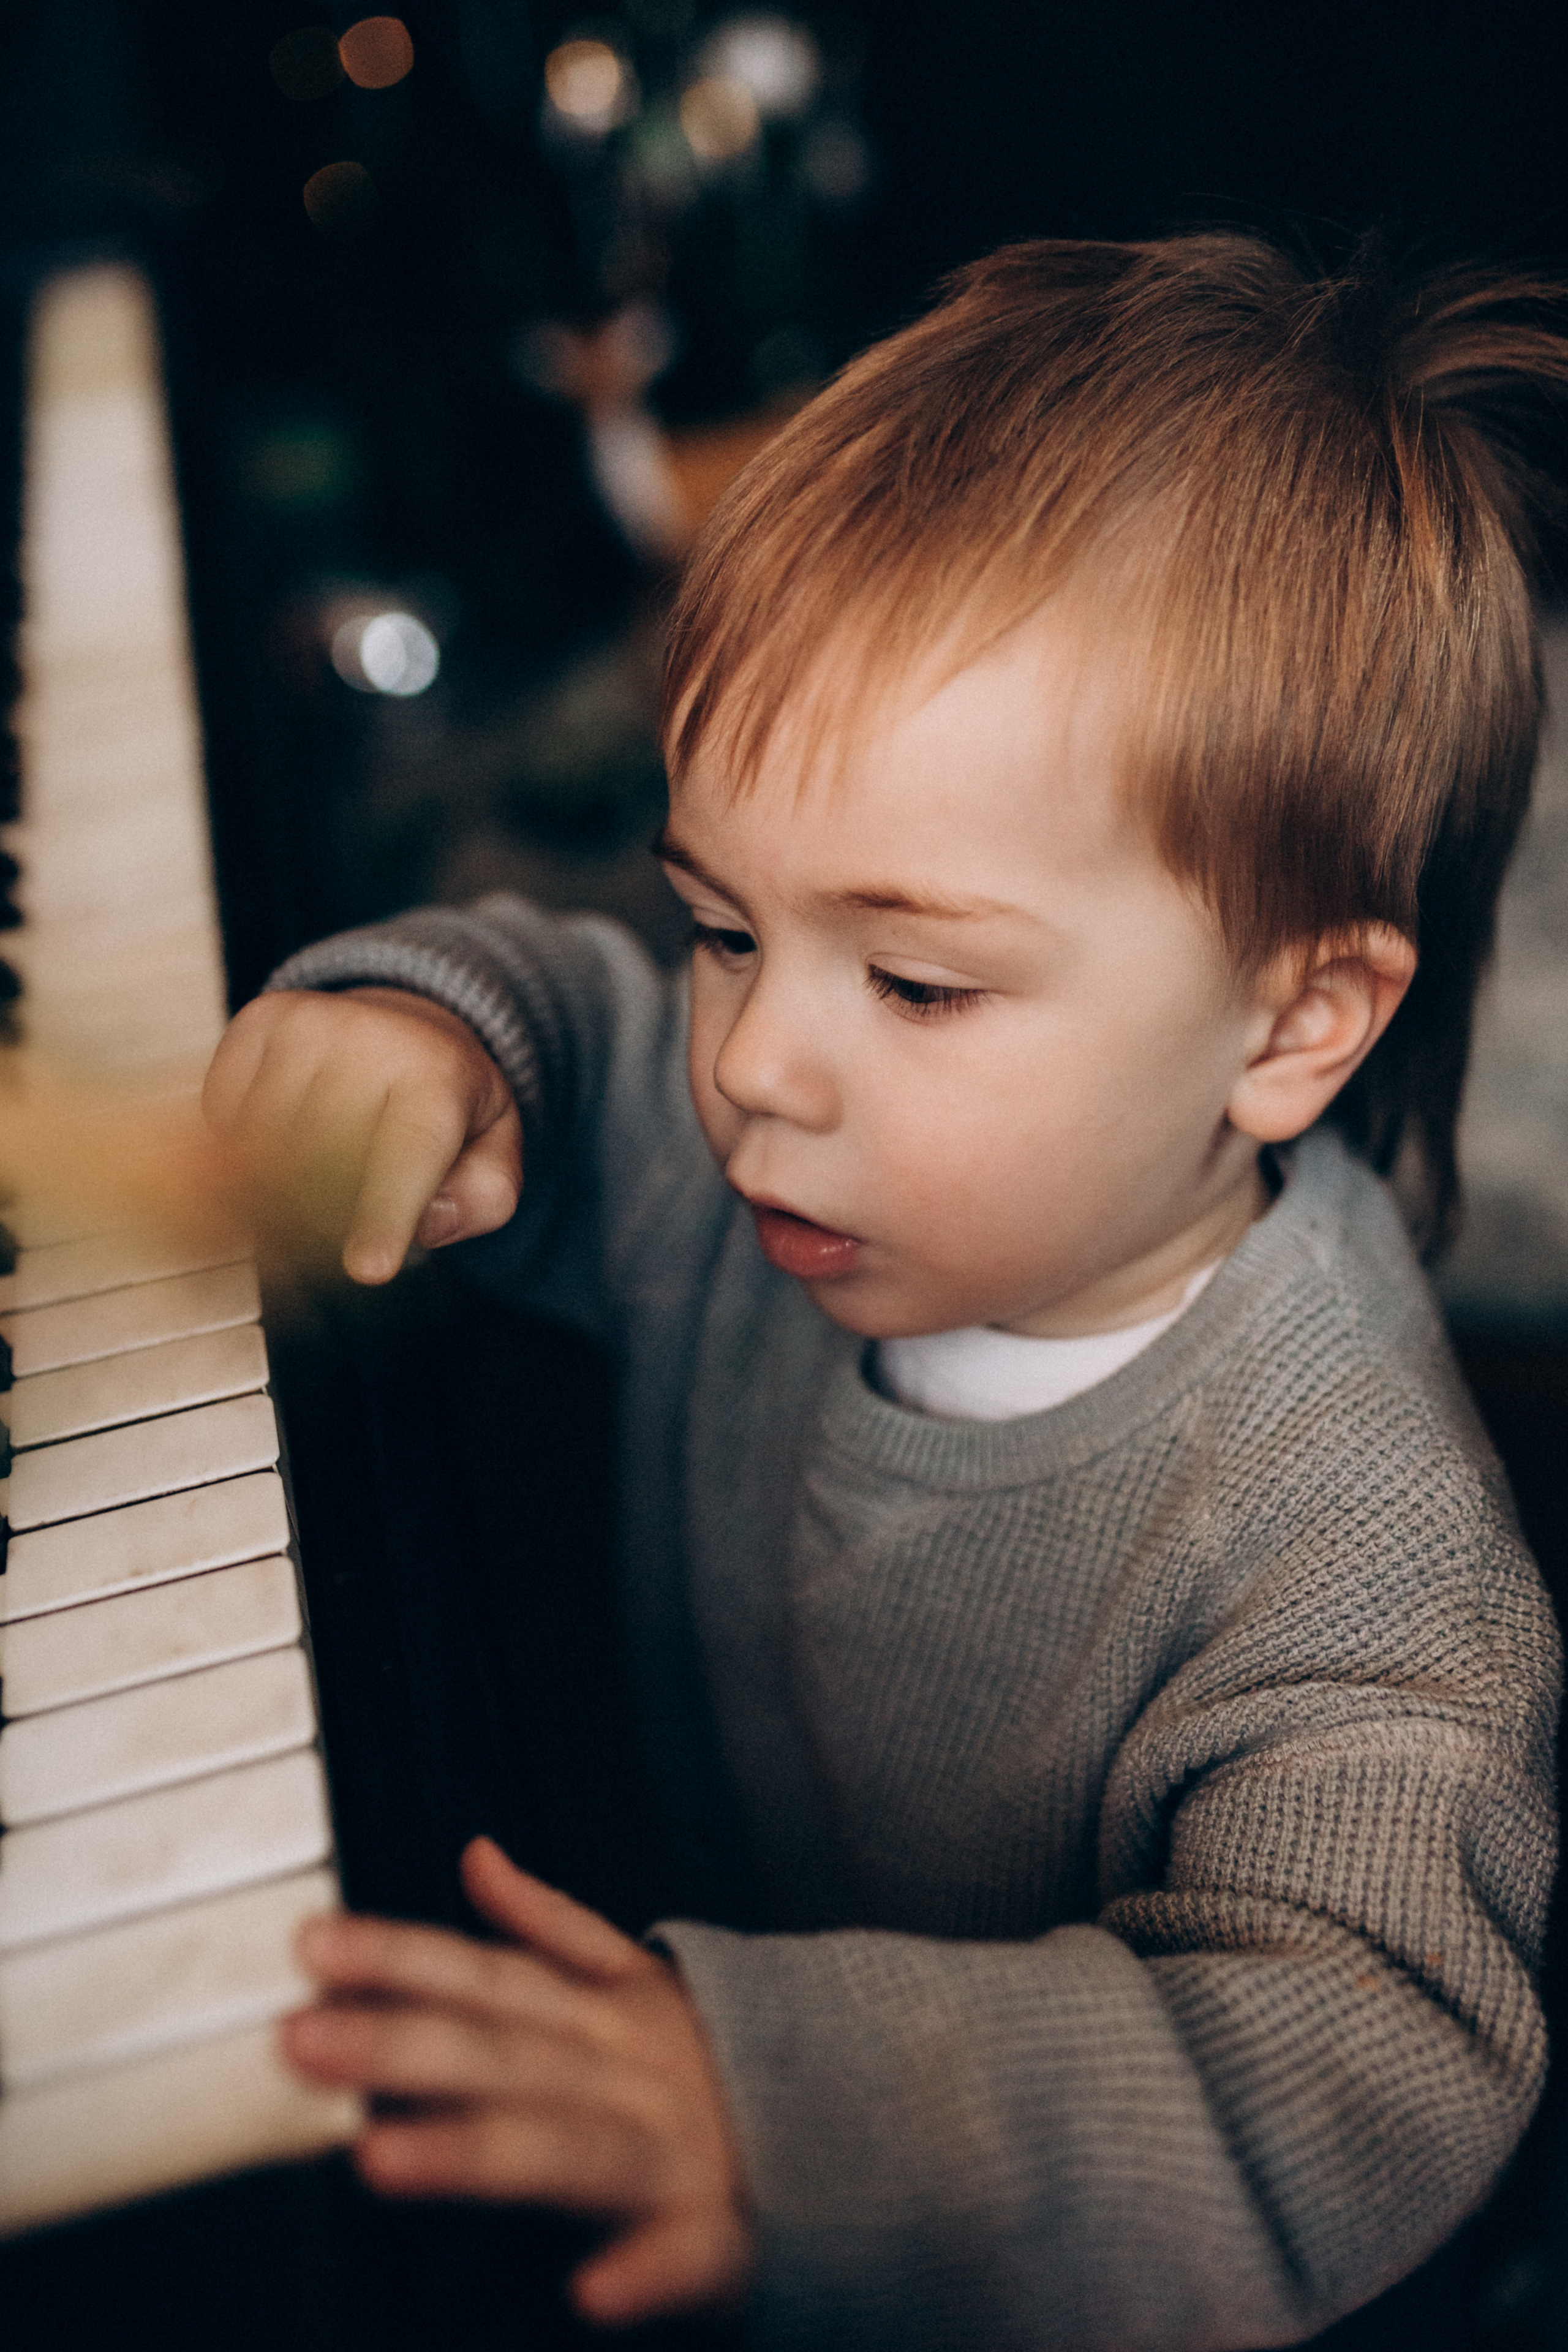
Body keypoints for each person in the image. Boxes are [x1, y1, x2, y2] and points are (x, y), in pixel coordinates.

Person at [204, 234, 1567, 2347]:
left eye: (916, 979)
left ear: (1297, 1025)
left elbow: (1356, 2056)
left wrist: (799, 2108)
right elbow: (573, 1015)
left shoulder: (1356, 1552)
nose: (749, 1061)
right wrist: (435, 1030)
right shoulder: (804, 1165)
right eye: (729, 928)